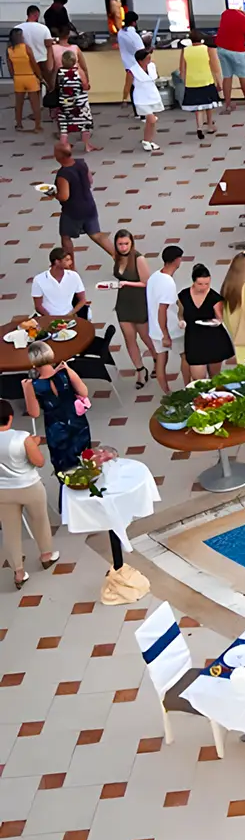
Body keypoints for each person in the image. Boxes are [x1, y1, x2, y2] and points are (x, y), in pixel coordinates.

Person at [0, 402, 58, 589]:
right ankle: (46, 555)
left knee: (10, 531)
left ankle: (18, 572)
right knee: (39, 520)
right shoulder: (22, 437)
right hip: (29, 486)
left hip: (3, 491)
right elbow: (39, 462)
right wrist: (33, 444)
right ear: (10, 417)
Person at [23, 340, 90, 473]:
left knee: (63, 465)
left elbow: (34, 413)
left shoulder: (33, 385)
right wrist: (68, 369)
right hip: (77, 422)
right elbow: (84, 392)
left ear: (33, 362)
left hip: (55, 428)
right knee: (85, 458)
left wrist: (26, 388)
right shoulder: (66, 373)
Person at [109, 230, 160, 389]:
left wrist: (126, 283)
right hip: (123, 302)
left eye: (126, 244)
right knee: (129, 338)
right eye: (120, 244)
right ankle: (140, 370)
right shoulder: (117, 257)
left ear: (131, 243)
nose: (123, 247)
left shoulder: (139, 259)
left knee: (146, 337)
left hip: (138, 302)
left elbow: (146, 282)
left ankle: (157, 360)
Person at [51, 140, 113, 261]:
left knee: (66, 237)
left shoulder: (63, 174)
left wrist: (53, 194)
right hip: (89, 205)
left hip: (73, 211)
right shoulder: (81, 163)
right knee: (96, 234)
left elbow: (64, 196)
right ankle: (118, 256)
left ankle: (70, 265)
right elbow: (90, 181)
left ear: (59, 156)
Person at [179, 264, 233, 379]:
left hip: (213, 339)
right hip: (194, 338)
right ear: (193, 282)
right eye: (200, 284)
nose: (204, 287)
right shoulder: (183, 296)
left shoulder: (214, 297)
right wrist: (181, 321)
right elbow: (180, 313)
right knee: (198, 377)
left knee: (215, 377)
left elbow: (220, 318)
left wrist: (216, 321)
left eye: (207, 284)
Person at [147, 245, 185, 393]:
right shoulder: (168, 282)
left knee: (161, 361)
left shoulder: (154, 276)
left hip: (154, 330)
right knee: (186, 356)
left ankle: (167, 393)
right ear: (176, 260)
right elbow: (162, 310)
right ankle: (189, 387)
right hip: (170, 330)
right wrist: (166, 335)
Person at [178, 30, 222, 139]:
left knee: (198, 107)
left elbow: (182, 69)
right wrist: (219, 82)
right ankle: (210, 125)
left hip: (191, 82)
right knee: (209, 105)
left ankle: (199, 127)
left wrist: (184, 81)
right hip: (206, 80)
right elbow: (216, 68)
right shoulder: (208, 49)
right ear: (202, 40)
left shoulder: (185, 50)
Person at [52, 48, 97, 153]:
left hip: (64, 102)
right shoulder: (79, 72)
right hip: (79, 103)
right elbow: (85, 86)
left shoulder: (60, 72)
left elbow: (57, 86)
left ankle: (63, 148)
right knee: (84, 124)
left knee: (64, 126)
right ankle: (87, 146)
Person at [215, 2, 245, 111]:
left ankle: (227, 104)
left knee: (227, 76)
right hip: (237, 50)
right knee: (243, 76)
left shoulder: (227, 12)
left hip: (221, 49)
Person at [31, 247, 88, 320]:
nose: (71, 262)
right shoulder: (39, 279)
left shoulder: (74, 276)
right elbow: (38, 306)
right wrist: (52, 318)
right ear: (57, 262)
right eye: (67, 260)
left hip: (69, 317)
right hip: (47, 318)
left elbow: (82, 300)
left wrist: (70, 314)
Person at [129, 47, 163, 152]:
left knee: (151, 122)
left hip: (152, 96)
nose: (149, 60)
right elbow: (127, 85)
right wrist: (124, 99)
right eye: (147, 58)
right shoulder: (132, 71)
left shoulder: (152, 66)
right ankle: (146, 140)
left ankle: (149, 140)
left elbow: (156, 76)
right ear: (140, 60)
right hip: (141, 98)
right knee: (151, 119)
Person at [10, 28, 42, 133]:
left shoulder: (9, 50)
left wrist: (14, 77)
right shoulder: (26, 48)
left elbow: (10, 67)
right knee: (35, 104)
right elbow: (33, 63)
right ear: (20, 37)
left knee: (19, 103)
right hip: (30, 77)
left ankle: (19, 124)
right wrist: (40, 76)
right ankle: (37, 126)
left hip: (18, 77)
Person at [15, 5, 51, 86]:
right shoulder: (43, 28)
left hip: (24, 61)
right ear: (36, 14)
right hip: (42, 60)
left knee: (28, 84)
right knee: (43, 84)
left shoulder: (18, 28)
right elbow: (48, 44)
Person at [116, 11, 146, 103]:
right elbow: (142, 52)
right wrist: (149, 49)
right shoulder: (134, 35)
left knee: (131, 86)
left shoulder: (120, 33)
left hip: (127, 64)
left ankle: (134, 106)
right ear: (133, 22)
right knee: (140, 87)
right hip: (137, 65)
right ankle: (141, 108)